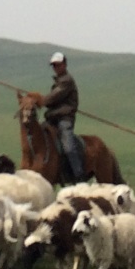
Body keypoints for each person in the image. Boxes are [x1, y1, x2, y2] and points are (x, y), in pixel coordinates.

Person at [43, 51, 86, 183]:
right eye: (54, 66)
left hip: (64, 119)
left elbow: (52, 98)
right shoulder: (58, 81)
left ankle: (79, 175)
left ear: (65, 65)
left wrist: (40, 100)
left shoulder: (66, 81)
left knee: (68, 146)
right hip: (53, 118)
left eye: (58, 65)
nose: (56, 68)